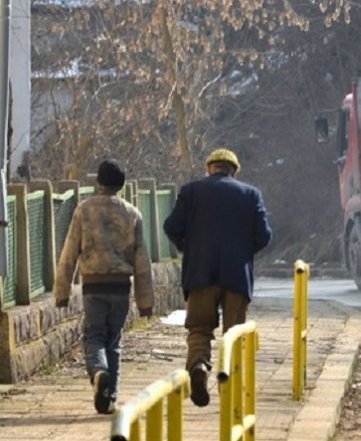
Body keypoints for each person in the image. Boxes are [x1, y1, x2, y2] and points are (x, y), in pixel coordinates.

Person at [163, 148, 272, 407]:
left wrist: (188, 246)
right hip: (236, 276)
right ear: (233, 170)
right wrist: (244, 252)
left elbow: (171, 226)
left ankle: (199, 365)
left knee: (199, 328)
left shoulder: (191, 192)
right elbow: (264, 236)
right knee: (233, 334)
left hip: (200, 274)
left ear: (210, 168)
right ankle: (230, 389)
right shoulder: (250, 194)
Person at [54, 159, 154, 415]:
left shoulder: (83, 210)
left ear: (98, 181)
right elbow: (142, 260)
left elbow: (69, 252)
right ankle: (110, 398)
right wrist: (145, 301)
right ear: (122, 184)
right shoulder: (132, 213)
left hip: (93, 285)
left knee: (94, 336)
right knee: (114, 340)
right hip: (120, 286)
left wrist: (62, 290)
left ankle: (98, 372)